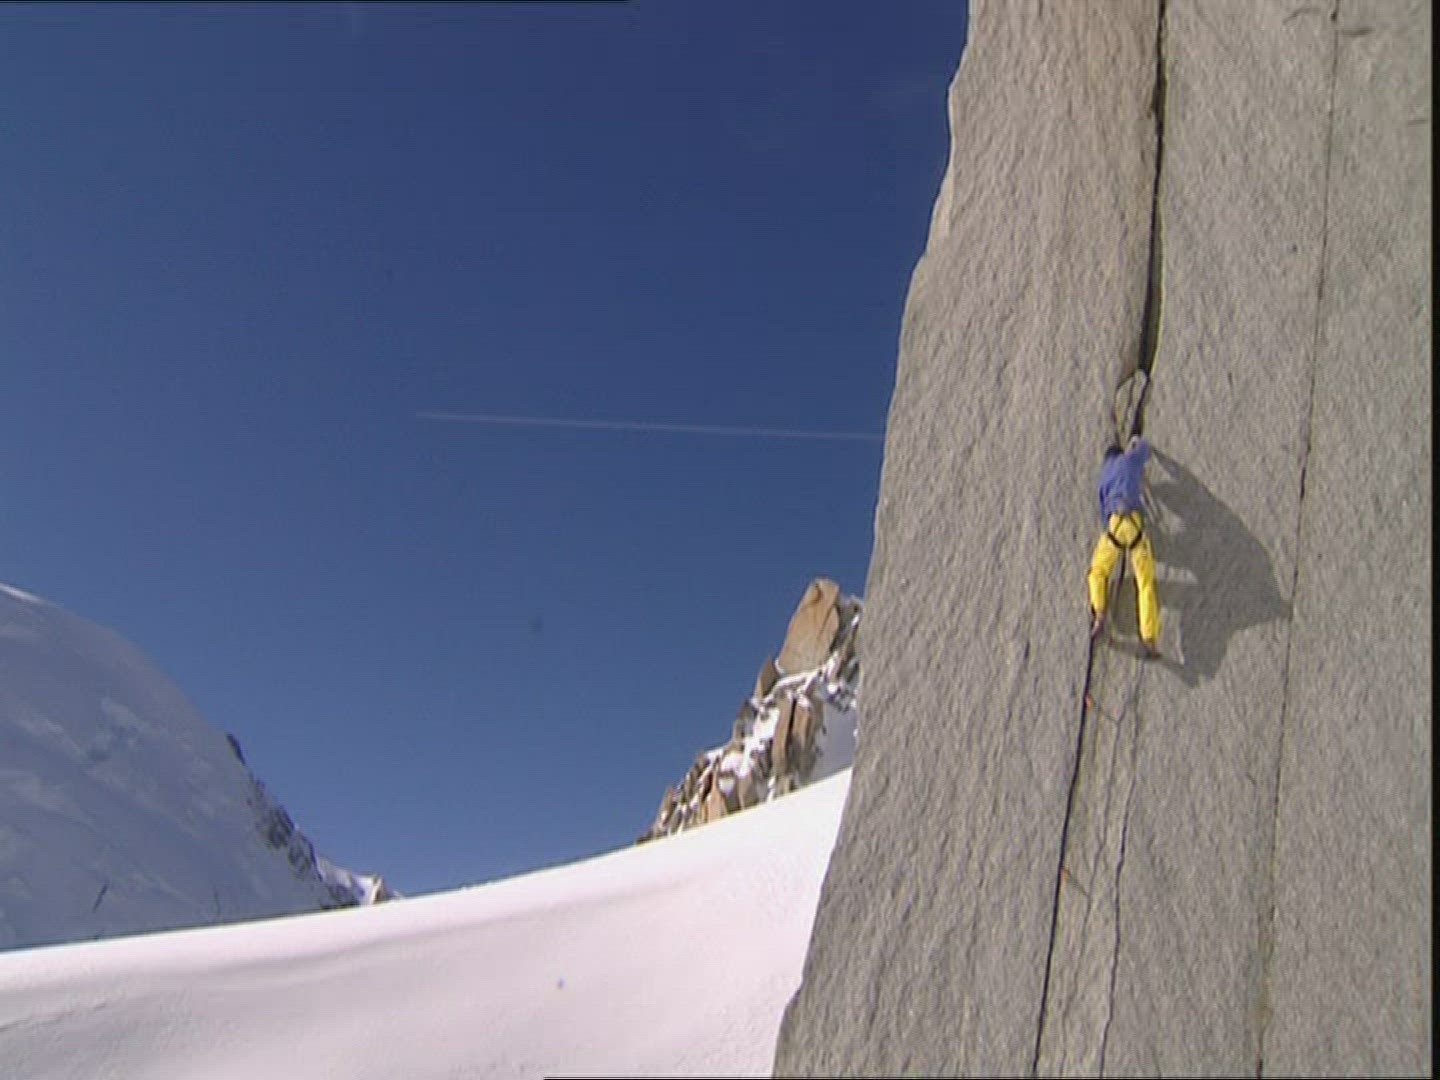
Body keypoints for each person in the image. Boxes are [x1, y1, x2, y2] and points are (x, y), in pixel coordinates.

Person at [1088, 434, 1161, 657]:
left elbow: (1103, 511)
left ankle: (1100, 613)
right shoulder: (1129, 460)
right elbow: (1144, 448)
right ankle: (1149, 638)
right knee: (1145, 582)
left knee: (1098, 571)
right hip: (1135, 525)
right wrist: (1136, 443)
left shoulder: (1103, 478)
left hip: (1114, 527)